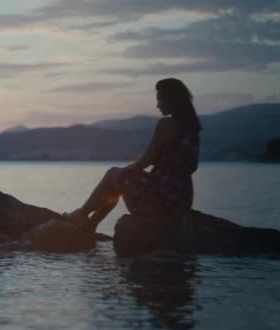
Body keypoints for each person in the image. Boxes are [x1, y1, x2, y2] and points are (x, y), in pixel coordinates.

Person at [67, 78, 201, 232]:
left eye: (159, 99)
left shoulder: (166, 124)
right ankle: (91, 224)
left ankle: (82, 215)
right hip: (182, 199)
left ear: (171, 99)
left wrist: (122, 173)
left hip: (160, 199)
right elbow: (192, 167)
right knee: (118, 180)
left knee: (113, 174)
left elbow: (144, 162)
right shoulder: (192, 129)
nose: (157, 105)